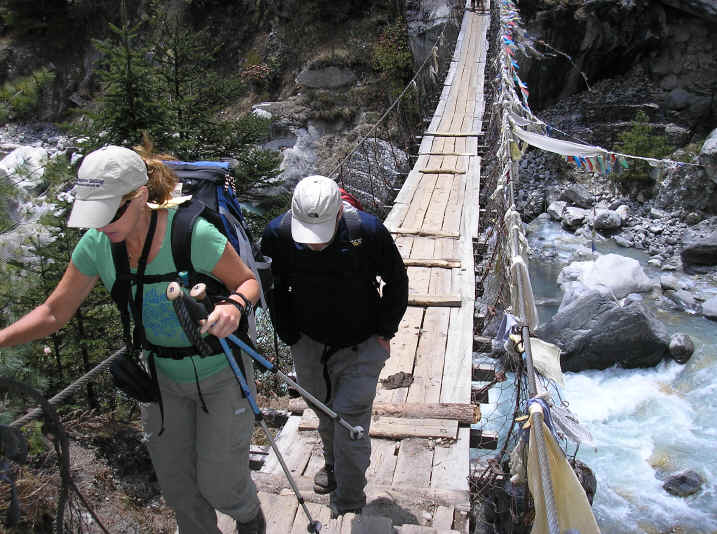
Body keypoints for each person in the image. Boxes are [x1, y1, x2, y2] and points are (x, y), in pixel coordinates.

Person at [0, 145, 265, 534]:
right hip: (161, 380)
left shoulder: (192, 233)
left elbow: (247, 282)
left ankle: (248, 516)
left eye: (111, 212)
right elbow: (55, 312)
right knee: (178, 489)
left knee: (220, 484)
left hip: (221, 373)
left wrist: (235, 306)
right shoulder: (96, 245)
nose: (102, 224)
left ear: (140, 197)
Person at [261, 175, 408, 517]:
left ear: (339, 217)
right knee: (325, 413)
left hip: (362, 343)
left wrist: (385, 332)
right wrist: (288, 334)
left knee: (350, 421)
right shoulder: (279, 235)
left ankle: (349, 502)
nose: (314, 244)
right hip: (309, 342)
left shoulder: (367, 232)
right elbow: (274, 286)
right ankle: (332, 465)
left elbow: (396, 279)